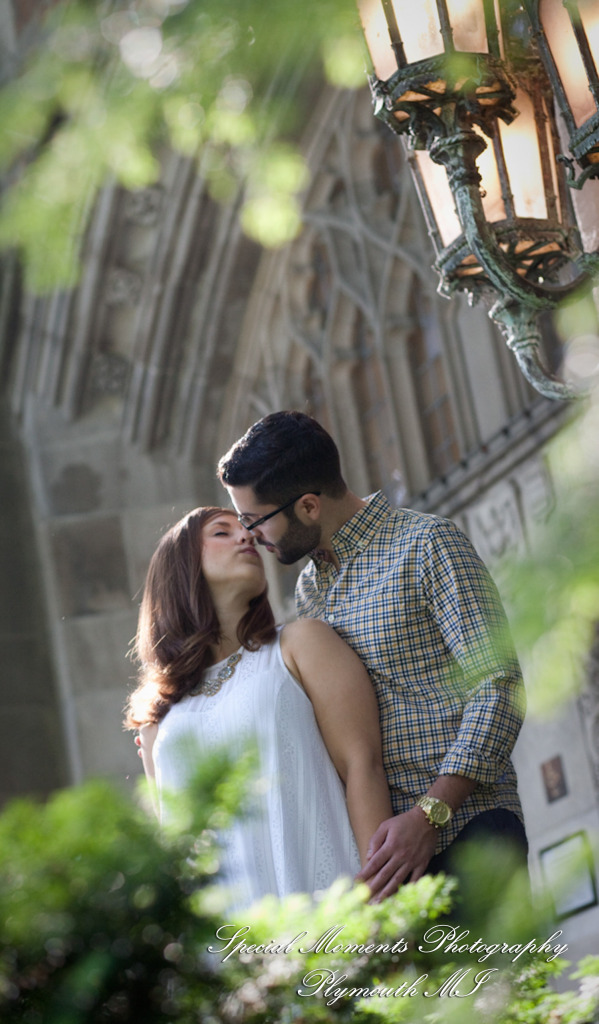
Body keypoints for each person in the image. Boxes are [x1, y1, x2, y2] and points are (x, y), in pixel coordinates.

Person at [217, 410, 529, 905]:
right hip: (381, 860)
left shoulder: (427, 544)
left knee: (488, 986)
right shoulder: (309, 591)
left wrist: (429, 816)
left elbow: (500, 688)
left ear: (309, 506)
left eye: (254, 520)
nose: (250, 535)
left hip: (468, 832)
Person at [124, 506, 392, 911]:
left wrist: (385, 905)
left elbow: (363, 765)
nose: (246, 537)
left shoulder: (301, 645)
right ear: (181, 567)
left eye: (247, 529)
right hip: (226, 945)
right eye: (222, 532)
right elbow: (175, 850)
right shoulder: (158, 721)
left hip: (331, 915)